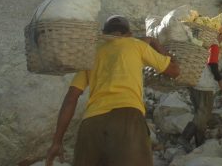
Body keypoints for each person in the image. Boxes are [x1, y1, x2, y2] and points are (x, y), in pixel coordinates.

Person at [45, 15, 180, 166]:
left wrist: (56, 142)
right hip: (127, 119)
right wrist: (155, 43)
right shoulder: (136, 44)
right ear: (128, 33)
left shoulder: (91, 54)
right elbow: (174, 71)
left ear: (105, 34)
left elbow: (71, 98)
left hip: (91, 125)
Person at [179, 33, 222, 150]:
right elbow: (212, 64)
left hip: (193, 81)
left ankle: (199, 144)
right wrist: (220, 80)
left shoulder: (200, 45)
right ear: (219, 35)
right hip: (204, 85)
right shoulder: (214, 45)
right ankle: (185, 137)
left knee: (200, 114)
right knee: (204, 113)